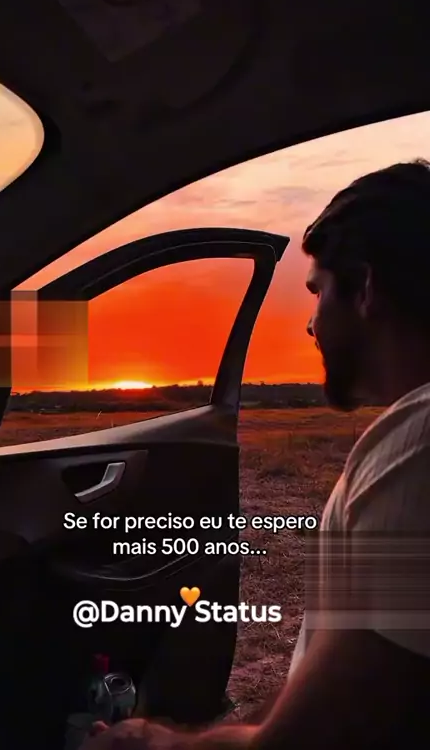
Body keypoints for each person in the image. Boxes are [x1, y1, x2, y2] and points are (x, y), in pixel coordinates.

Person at [81, 159, 430, 748]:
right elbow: (335, 679)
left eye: (317, 292)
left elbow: (326, 733)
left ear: (366, 289)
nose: (311, 327)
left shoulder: (420, 443)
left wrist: (164, 744)